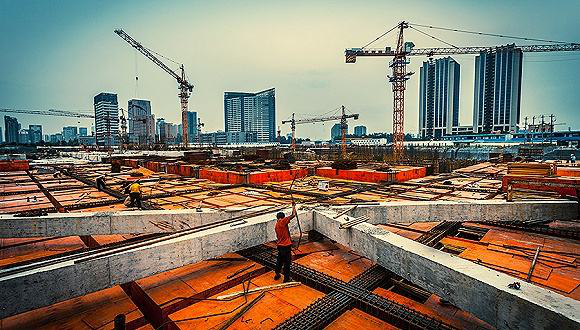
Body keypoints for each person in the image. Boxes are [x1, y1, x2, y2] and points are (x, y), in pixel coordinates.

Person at [274, 202, 297, 283]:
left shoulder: (276, 225)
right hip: (286, 247)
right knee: (287, 263)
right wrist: (293, 206)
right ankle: (286, 279)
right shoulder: (282, 222)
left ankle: (277, 274)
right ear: (282, 217)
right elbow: (293, 215)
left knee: (279, 261)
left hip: (280, 246)